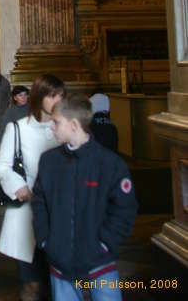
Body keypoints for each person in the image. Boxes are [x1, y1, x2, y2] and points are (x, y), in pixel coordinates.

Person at [32, 93, 137, 301]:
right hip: (60, 262)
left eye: (56, 122)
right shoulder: (49, 161)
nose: (52, 127)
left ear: (74, 125)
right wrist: (45, 240)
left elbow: (125, 209)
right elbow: (39, 202)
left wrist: (105, 243)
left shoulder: (109, 164)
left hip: (100, 262)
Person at [0, 74, 65, 301]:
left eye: (61, 96)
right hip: (28, 212)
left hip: (60, 213)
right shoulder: (18, 128)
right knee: (31, 283)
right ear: (39, 97)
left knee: (60, 283)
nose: (57, 101)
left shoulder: (65, 128)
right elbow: (2, 166)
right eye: (52, 96)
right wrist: (19, 186)